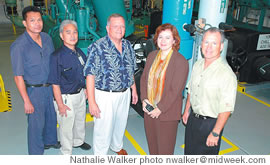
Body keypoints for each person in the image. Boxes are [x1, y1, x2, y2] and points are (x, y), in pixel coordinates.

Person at [84, 13, 138, 155]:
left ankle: (116, 146)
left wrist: (134, 90)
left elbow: (130, 68)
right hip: (105, 95)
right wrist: (92, 101)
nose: (119, 29)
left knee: (120, 123)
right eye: (115, 26)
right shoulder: (98, 47)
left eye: (122, 26)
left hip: (124, 92)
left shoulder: (127, 45)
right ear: (108, 28)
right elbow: (90, 75)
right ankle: (100, 155)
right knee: (103, 128)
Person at [10, 6, 59, 155]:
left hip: (49, 86)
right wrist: (26, 100)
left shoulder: (47, 38)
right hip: (34, 90)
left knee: (51, 116)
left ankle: (50, 141)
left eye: (39, 20)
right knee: (36, 124)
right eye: (32, 20)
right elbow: (18, 76)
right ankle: (36, 153)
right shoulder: (19, 46)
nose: (37, 23)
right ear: (24, 23)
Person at [182, 27, 237, 155]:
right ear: (201, 44)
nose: (209, 47)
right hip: (193, 119)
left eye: (214, 43)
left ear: (221, 46)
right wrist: (186, 110)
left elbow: (226, 108)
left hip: (210, 124)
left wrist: (215, 133)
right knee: (189, 154)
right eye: (206, 42)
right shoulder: (197, 65)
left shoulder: (226, 74)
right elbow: (191, 89)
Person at [140, 23, 189, 155]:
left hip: (167, 114)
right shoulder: (152, 56)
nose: (163, 41)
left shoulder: (180, 61)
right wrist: (144, 99)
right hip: (149, 109)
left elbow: (175, 90)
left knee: (165, 151)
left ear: (174, 40)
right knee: (153, 147)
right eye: (160, 37)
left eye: (168, 37)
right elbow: (144, 79)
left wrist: (160, 108)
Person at [47, 20, 91, 155]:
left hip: (80, 94)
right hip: (65, 98)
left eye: (75, 32)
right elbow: (55, 83)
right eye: (68, 32)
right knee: (66, 127)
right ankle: (66, 151)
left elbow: (85, 72)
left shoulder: (79, 52)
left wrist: (86, 89)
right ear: (61, 36)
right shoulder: (56, 57)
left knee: (79, 120)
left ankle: (78, 141)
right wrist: (60, 104)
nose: (72, 35)